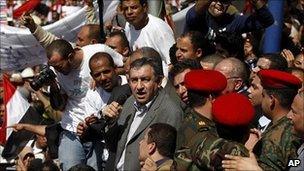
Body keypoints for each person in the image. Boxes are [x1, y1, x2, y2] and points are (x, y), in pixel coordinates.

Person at [46, 39, 123, 170]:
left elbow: (126, 66)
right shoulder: (56, 72)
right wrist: (53, 86)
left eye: (59, 66)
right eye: (53, 67)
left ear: (70, 57)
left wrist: (100, 76)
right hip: (71, 129)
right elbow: (59, 106)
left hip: (98, 131)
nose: (56, 70)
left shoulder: (97, 50)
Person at [104, 57, 183, 170]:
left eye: (145, 79)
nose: (139, 87)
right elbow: (113, 145)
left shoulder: (171, 111)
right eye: (134, 80)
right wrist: (111, 122)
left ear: (159, 81)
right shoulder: (130, 102)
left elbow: (174, 158)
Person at [254, 69, 302, 170]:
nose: (262, 100)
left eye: (263, 96)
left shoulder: (274, 138)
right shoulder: (295, 126)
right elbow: (295, 163)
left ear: (271, 100)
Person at [120, 0, 175, 76]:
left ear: (145, 7)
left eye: (134, 7)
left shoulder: (159, 29)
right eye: (125, 9)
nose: (129, 12)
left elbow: (173, 64)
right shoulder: (128, 27)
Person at [185, 0, 274, 41]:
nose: (219, 3)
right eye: (215, 0)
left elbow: (266, 21)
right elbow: (196, 11)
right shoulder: (199, 16)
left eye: (224, 1)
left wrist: (256, 1)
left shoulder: (233, 21)